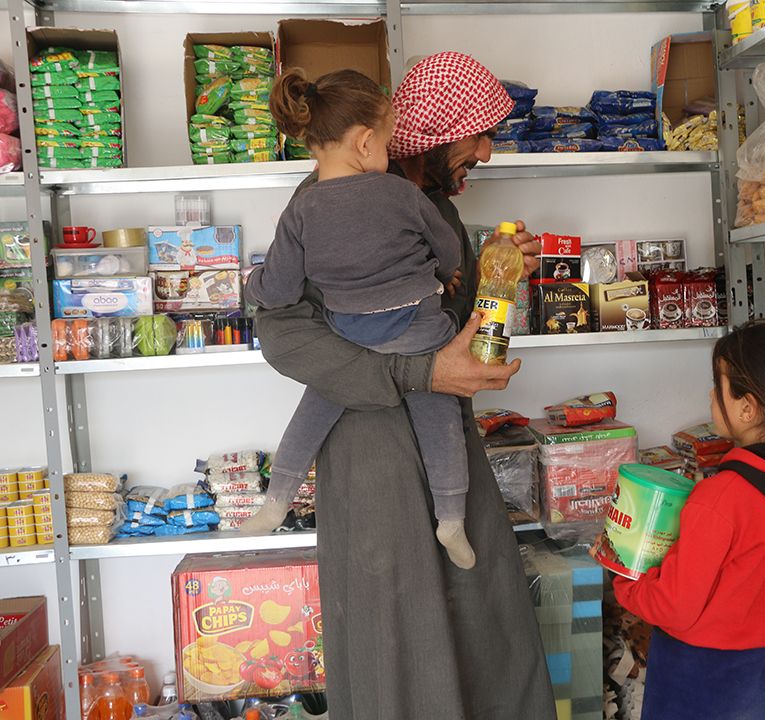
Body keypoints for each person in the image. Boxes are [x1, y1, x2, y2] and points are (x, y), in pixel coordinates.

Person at [247, 52, 557, 719]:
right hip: (370, 453)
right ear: (436, 129)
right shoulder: (325, 204)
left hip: (446, 440)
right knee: (397, 640)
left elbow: (442, 322)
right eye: (477, 133)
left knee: (482, 622)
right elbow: (282, 333)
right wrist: (421, 372)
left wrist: (502, 276)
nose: (488, 151)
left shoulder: (431, 202)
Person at [245, 67, 478, 570]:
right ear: (367, 142)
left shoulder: (301, 210)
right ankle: (452, 519)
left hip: (351, 335)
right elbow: (448, 251)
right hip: (420, 330)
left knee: (315, 408)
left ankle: (276, 499)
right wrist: (443, 272)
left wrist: (252, 284)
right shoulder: (401, 194)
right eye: (390, 143)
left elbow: (281, 290)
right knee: (441, 420)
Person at [606, 320, 765, 719]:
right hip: (764, 672)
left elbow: (673, 606)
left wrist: (623, 573)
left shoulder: (720, 497)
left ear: (748, 409)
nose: (711, 395)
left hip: (699, 679)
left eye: (720, 385)